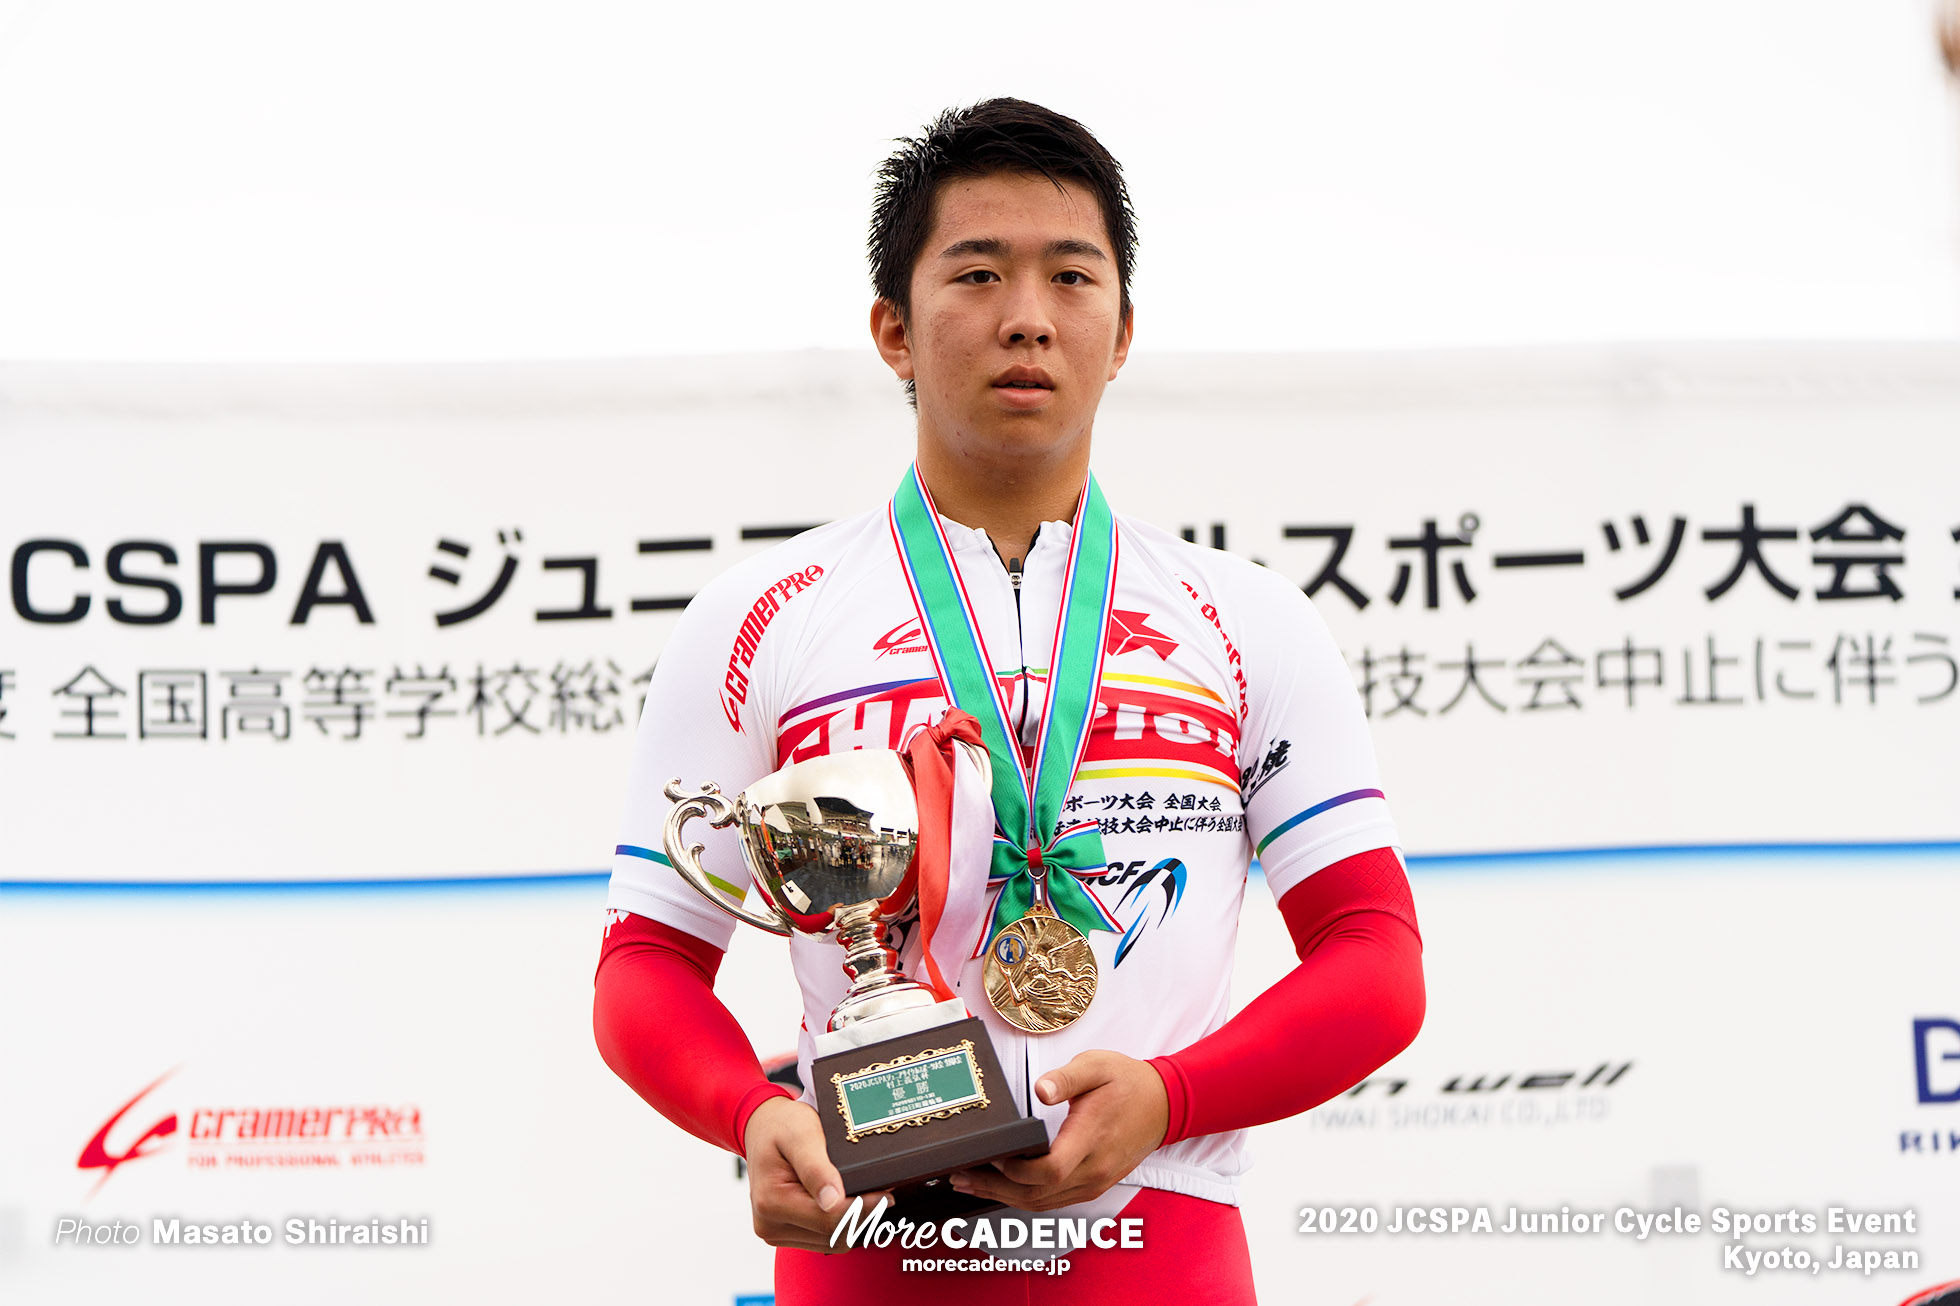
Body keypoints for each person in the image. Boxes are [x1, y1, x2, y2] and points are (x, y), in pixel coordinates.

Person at [593, 97, 1424, 1305]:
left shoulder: (1245, 619)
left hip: (1164, 1246)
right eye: (976, 273)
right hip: (874, 1248)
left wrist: (1171, 1097)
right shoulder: (760, 616)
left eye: (1072, 277)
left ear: (1123, 329)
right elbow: (645, 963)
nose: (1027, 317)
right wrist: (744, 1112)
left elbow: (1375, 956)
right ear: (893, 328)